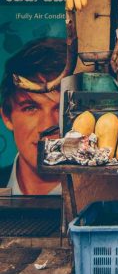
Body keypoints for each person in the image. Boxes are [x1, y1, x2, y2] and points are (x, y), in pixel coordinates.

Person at [0, 38, 65, 196]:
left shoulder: (105, 197)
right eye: (31, 108)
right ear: (7, 117)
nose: (46, 127)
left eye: (62, 108)